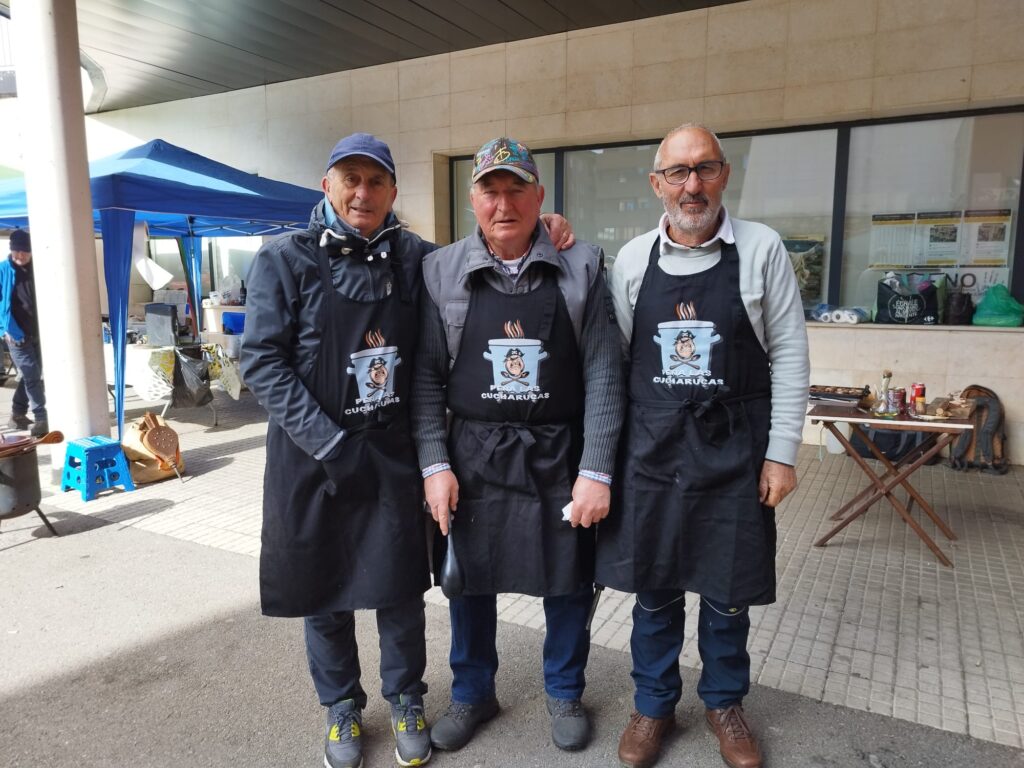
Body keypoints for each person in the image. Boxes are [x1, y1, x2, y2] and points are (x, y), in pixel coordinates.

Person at [240, 133, 575, 768]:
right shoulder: (283, 257)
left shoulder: (415, 257)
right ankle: (341, 706)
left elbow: (490, 241)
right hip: (311, 457)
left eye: (376, 181)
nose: (362, 193)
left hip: (390, 454)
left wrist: (547, 226)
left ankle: (405, 698)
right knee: (324, 592)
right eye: (351, 180)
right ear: (327, 185)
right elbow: (261, 360)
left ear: (394, 191)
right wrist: (327, 441)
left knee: (397, 589)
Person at [595, 123, 810, 768]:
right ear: (657, 184)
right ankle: (652, 705)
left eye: (705, 169)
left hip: (733, 450)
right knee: (654, 590)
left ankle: (724, 704)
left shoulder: (763, 248)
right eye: (678, 172)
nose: (692, 185)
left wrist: (782, 453)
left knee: (727, 590)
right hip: (653, 452)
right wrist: (604, 464)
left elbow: (790, 355)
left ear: (724, 174)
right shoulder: (632, 260)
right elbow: (617, 365)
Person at [410, 138, 624, 755]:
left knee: (569, 581)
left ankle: (565, 690)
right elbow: (425, 378)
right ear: (472, 199)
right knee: (469, 582)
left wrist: (596, 470)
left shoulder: (582, 266)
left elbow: (605, 373)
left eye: (516, 190)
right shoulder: (440, 270)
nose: (503, 205)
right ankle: (473, 692)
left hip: (559, 452)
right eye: (490, 192)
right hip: (473, 453)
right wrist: (435, 465)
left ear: (539, 197)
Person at [1, 229, 48, 438]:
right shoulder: (3, 270)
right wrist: (4, 329)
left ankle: (17, 414)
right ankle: (41, 418)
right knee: (32, 376)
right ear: (11, 250)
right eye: (16, 251)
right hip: (15, 335)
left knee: (32, 375)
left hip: (38, 332)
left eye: (25, 251)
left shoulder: (38, 268)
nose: (20, 255)